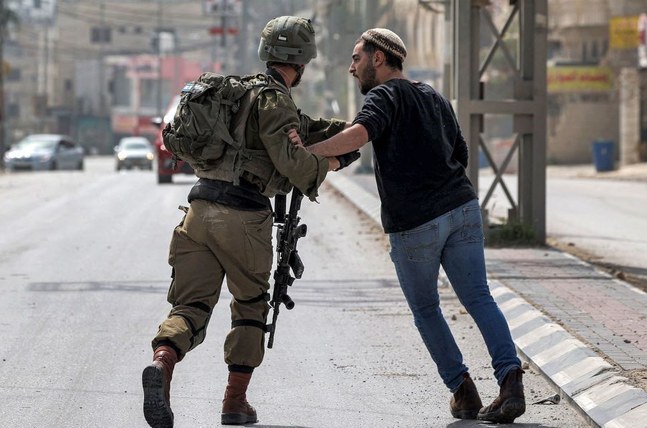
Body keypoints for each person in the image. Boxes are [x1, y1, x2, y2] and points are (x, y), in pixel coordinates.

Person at [142, 16, 358, 428]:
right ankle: (234, 402)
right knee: (249, 309)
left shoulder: (237, 94)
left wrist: (357, 131)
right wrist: (332, 161)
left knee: (189, 306)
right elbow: (294, 163)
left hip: (199, 211)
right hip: (243, 217)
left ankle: (162, 362)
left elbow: (308, 129)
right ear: (303, 60)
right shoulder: (275, 102)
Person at [301, 28, 526, 424]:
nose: (352, 68)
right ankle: (510, 385)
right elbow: (461, 151)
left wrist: (307, 153)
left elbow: (359, 134)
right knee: (479, 298)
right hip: (462, 209)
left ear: (379, 59)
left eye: (357, 58)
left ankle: (463, 391)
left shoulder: (384, 95)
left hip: (415, 224)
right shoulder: (434, 96)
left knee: (426, 310)